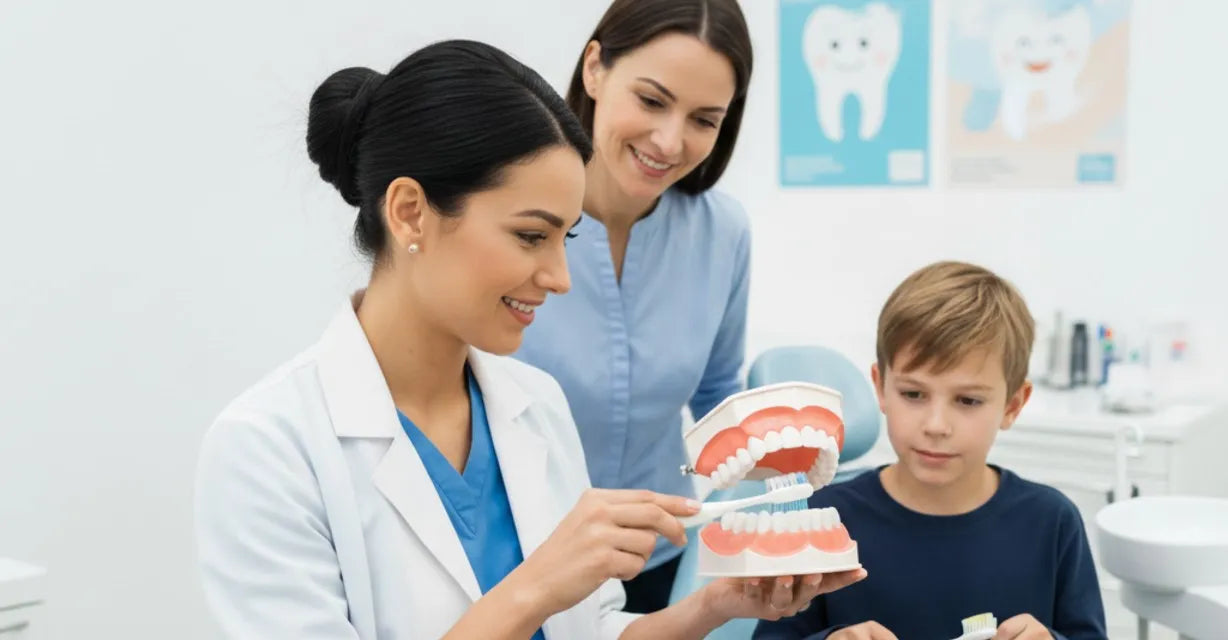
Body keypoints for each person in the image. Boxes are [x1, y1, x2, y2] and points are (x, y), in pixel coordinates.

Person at [194, 40, 865, 639]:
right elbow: (546, 595)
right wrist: (537, 586)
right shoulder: (269, 449)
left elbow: (594, 628)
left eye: (566, 237)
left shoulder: (534, 404)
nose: (561, 276)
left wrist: (713, 606)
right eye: (530, 236)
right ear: (409, 212)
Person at [512, 0, 757, 613]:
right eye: (651, 101)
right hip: (520, 561)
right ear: (595, 69)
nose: (669, 141)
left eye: (705, 119)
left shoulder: (722, 232)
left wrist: (784, 469)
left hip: (658, 561)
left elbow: (718, 393)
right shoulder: (511, 215)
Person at [752, 261, 1108, 640]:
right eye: (913, 394)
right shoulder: (822, 521)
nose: (936, 425)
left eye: (968, 400)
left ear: (1013, 405)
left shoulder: (1052, 523)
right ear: (880, 387)